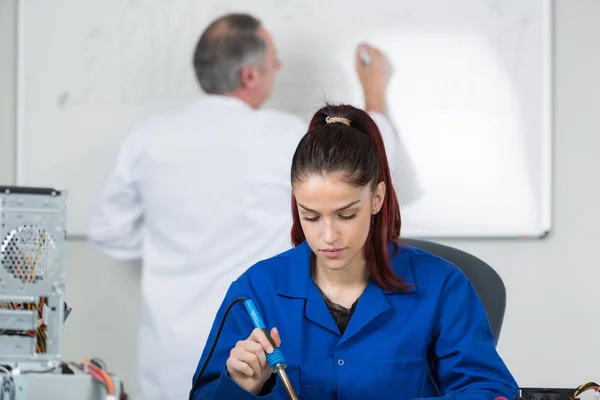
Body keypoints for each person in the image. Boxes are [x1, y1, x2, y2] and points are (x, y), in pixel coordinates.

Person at [88, 13, 418, 400]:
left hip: (169, 354)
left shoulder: (147, 138)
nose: (278, 65)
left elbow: (107, 230)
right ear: (249, 76)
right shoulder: (283, 137)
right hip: (254, 340)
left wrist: (175, 247)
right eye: (273, 58)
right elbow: (374, 160)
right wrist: (373, 90)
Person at [189, 104, 519, 400]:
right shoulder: (256, 290)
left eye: (346, 215)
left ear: (377, 198)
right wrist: (238, 385)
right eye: (311, 216)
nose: (328, 236)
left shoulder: (443, 287)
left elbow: (488, 390)